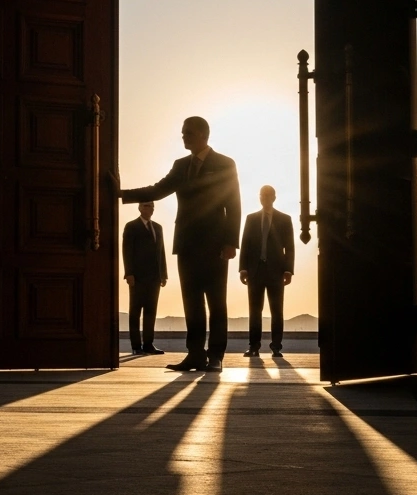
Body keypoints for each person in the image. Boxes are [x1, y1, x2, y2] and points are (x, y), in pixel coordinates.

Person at [115, 116, 241, 372]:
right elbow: (158, 190)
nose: (183, 137)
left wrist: (231, 242)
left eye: (188, 133)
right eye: (183, 133)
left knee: (217, 302)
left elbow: (234, 204)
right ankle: (195, 354)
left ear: (203, 135)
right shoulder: (181, 165)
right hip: (186, 244)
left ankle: (215, 355)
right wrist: (121, 194)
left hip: (216, 245)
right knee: (191, 302)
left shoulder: (225, 164)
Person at [239, 185, 295, 357]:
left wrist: (288, 270)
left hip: (276, 271)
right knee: (254, 311)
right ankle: (254, 346)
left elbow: (290, 247)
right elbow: (245, 245)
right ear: (259, 197)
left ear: (274, 197)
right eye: (262, 195)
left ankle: (276, 346)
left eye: (268, 195)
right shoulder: (251, 219)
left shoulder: (285, 219)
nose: (265, 198)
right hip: (255, 270)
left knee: (276, 311)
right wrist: (242, 268)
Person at [122, 201, 167, 355]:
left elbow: (161, 252)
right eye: (147, 205)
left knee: (151, 311)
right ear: (140, 207)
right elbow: (127, 250)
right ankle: (136, 345)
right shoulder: (131, 226)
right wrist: (129, 273)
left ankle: (148, 344)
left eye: (152, 206)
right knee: (135, 311)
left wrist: (163, 274)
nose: (150, 209)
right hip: (137, 277)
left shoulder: (158, 228)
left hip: (154, 277)